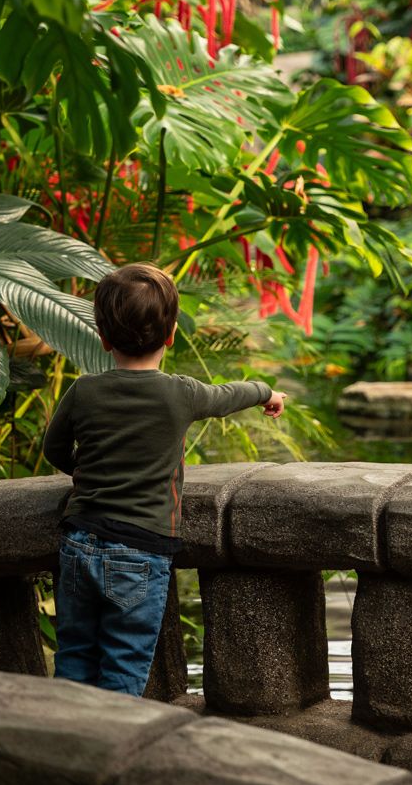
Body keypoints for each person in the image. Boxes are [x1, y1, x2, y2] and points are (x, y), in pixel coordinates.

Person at [42, 262, 285, 695]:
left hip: (79, 543)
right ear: (170, 335)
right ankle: (112, 756)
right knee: (124, 666)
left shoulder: (84, 391)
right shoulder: (181, 392)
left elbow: (54, 449)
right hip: (140, 551)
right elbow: (230, 395)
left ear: (102, 336)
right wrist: (267, 391)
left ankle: (63, 748)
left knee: (75, 659)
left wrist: (87, 474)